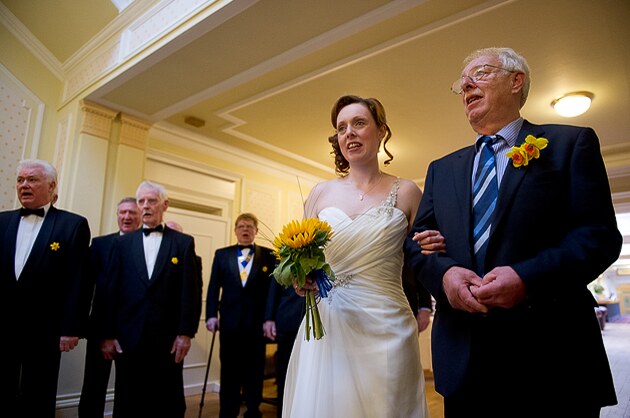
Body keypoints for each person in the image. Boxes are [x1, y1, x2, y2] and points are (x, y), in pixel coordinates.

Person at [404, 47, 621, 418]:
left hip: (552, 356)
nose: (467, 83)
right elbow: (418, 245)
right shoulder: (442, 169)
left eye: (481, 73)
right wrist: (446, 275)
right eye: (463, 81)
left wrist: (526, 276)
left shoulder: (570, 144)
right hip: (465, 358)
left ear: (516, 81)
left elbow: (599, 236)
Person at [284, 94, 437, 418]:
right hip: (330, 326)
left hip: (388, 326)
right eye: (341, 128)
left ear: (381, 130)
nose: (349, 133)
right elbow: (305, 260)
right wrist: (300, 278)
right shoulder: (319, 194)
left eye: (359, 123)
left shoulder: (408, 192)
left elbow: (423, 258)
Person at [101, 181, 201, 418]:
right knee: (127, 400)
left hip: (168, 339)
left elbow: (190, 291)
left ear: (164, 205)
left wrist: (185, 334)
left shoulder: (182, 243)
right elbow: (110, 291)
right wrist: (107, 334)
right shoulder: (122, 243)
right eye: (141, 201)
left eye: (152, 201)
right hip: (128, 337)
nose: (145, 206)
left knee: (167, 401)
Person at [0, 159, 91, 417]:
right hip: (4, 327)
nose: (24, 185)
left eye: (32, 179)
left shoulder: (73, 224)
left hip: (45, 329)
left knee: (38, 394)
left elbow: (78, 281)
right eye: (20, 180)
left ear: (52, 186)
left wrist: (72, 328)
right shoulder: (2, 221)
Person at [206, 213, 276, 418]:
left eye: (249, 226)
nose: (245, 230)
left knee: (255, 371)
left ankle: (253, 411)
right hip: (228, 324)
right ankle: (227, 412)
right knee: (229, 372)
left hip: (256, 325)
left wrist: (269, 318)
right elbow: (213, 288)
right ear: (235, 229)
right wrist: (211, 314)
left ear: (256, 231)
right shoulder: (221, 255)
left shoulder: (269, 256)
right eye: (241, 226)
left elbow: (272, 291)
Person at [78, 197, 140, 417]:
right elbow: (86, 287)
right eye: (122, 212)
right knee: (93, 386)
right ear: (117, 214)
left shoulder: (149, 247)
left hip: (133, 333)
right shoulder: (100, 244)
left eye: (132, 212)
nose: (126, 217)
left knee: (129, 391)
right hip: (99, 329)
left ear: (141, 215)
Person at [263, 278, 304, 418]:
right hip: (288, 317)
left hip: (324, 315)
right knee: (286, 376)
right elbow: (275, 283)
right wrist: (269, 318)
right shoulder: (280, 255)